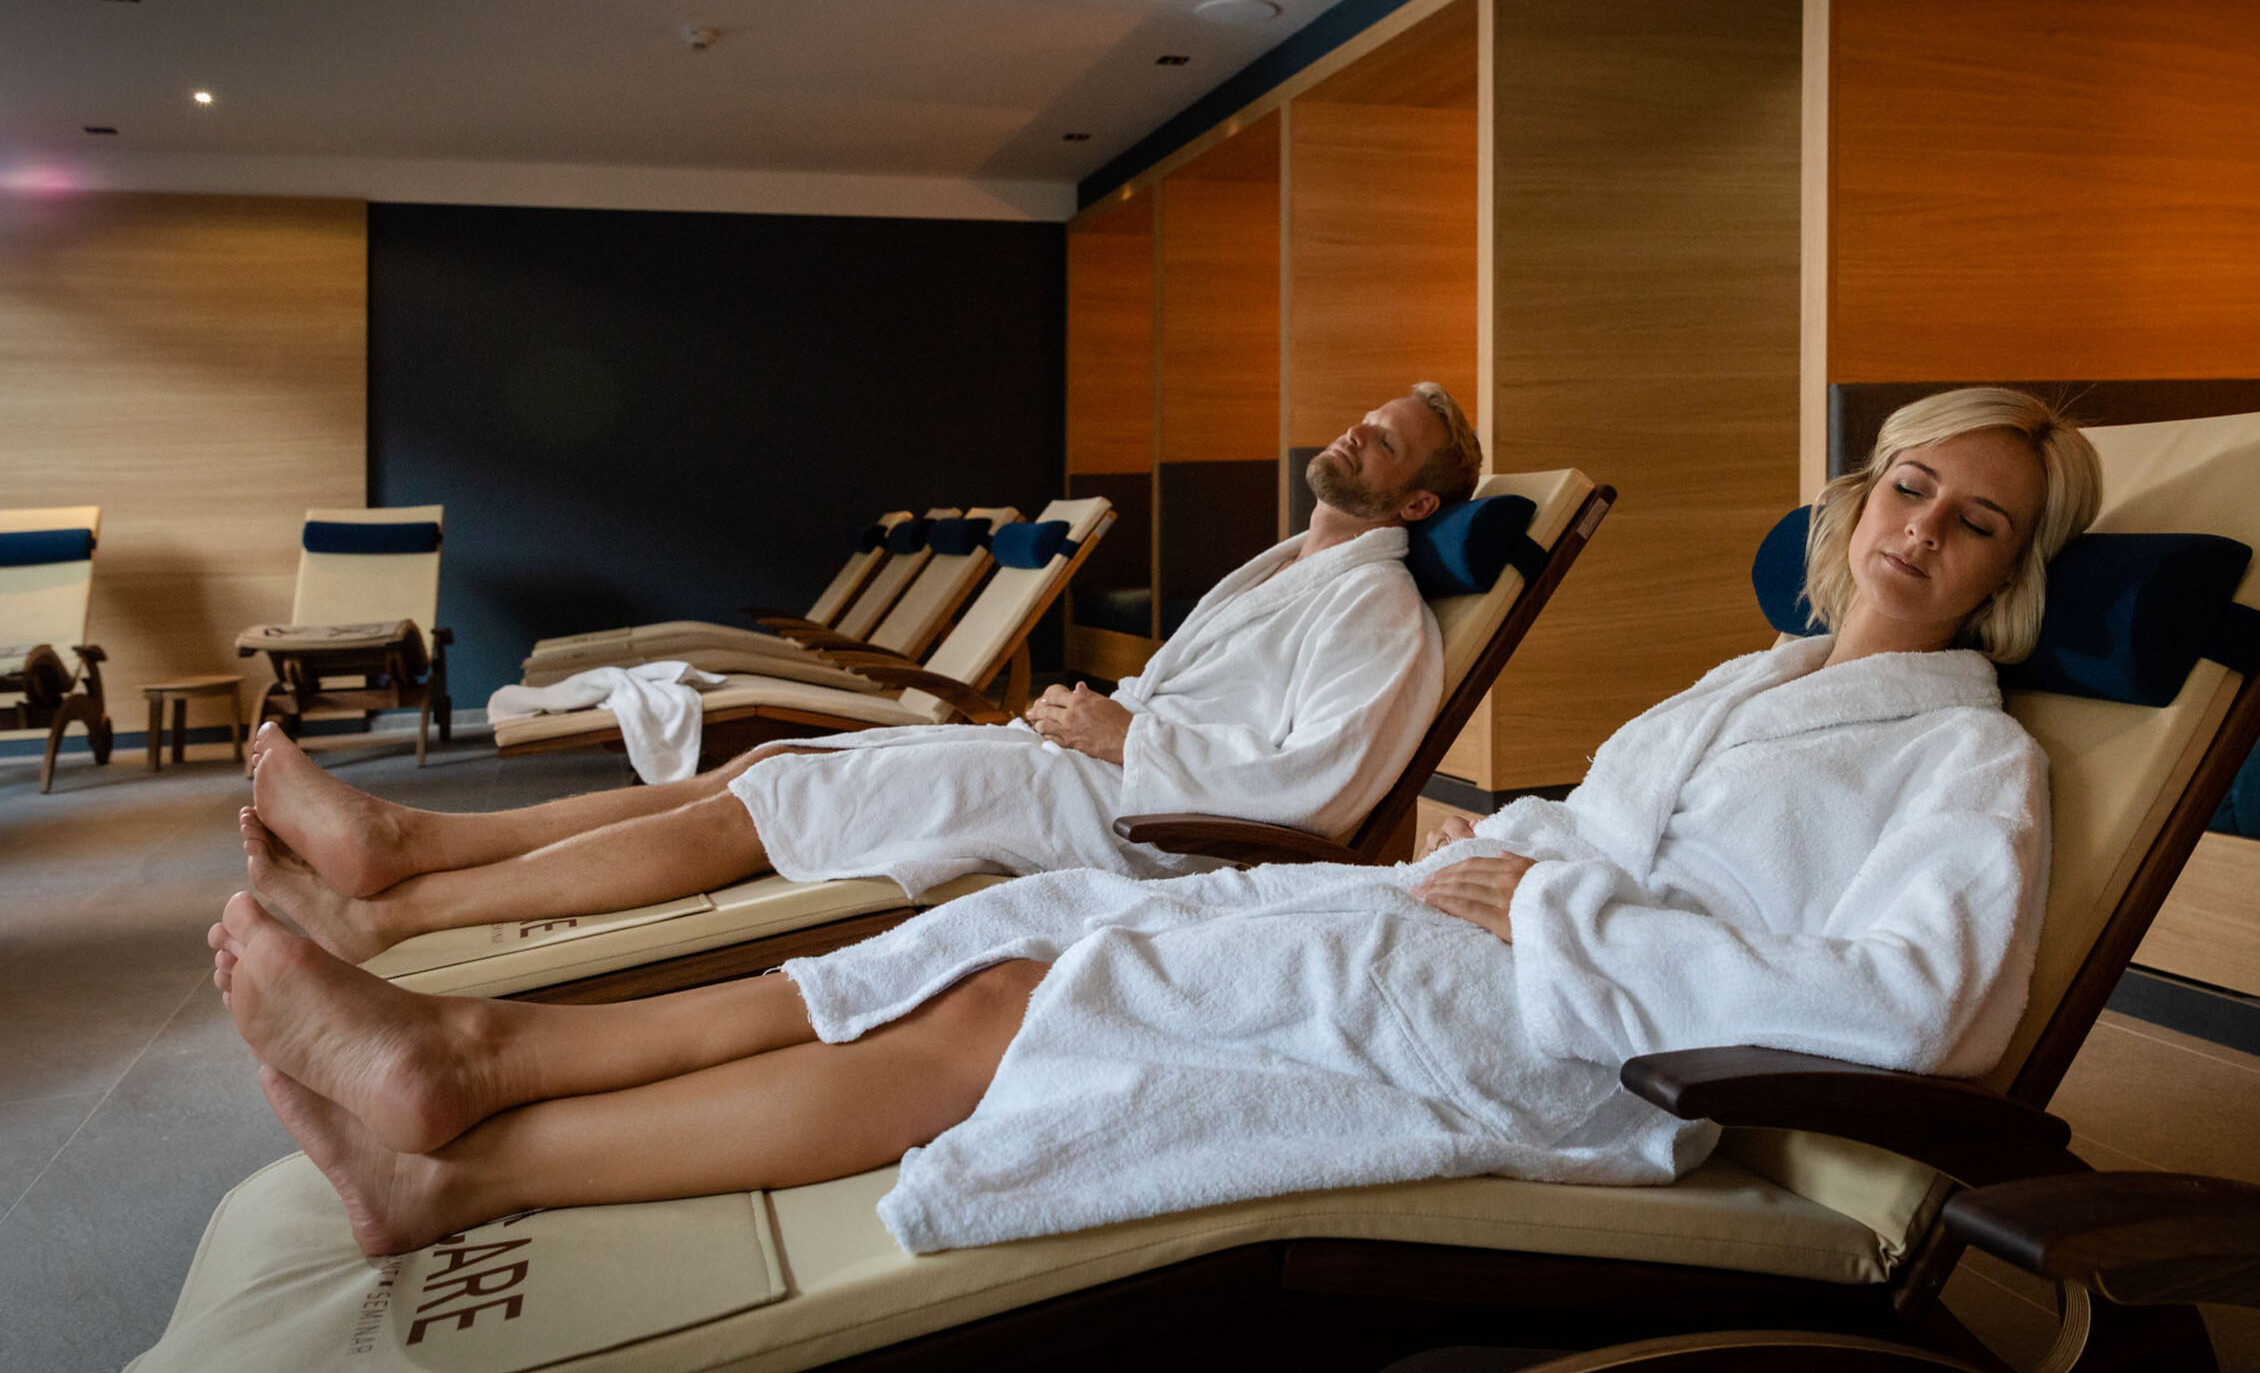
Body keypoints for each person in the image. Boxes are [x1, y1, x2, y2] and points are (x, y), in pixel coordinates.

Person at [213, 387, 2102, 1260]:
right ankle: (473, 1054)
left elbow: (1913, 1017)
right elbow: (1563, 825)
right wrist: (1497, 865)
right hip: (1468, 935)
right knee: (983, 939)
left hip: (1594, 1048)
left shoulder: (1968, 763)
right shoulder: (1738, 686)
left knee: (1035, 1000)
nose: (1914, 531)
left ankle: (468, 1156)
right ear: (1852, 494)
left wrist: (1554, 920)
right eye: (1905, 485)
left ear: (2012, 577)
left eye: (1972, 521)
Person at [235, 384, 1480, 963]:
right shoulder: (1280, 570)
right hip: (1086, 767)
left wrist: (1123, 740)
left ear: (1416, 498)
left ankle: (391, 907)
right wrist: (1100, 720)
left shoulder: (1376, 607)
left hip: (1143, 826)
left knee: (771, 802)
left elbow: (1314, 804)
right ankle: (409, 838)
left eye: (1390, 439)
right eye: (1366, 413)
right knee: (776, 754)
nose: (1357, 427)